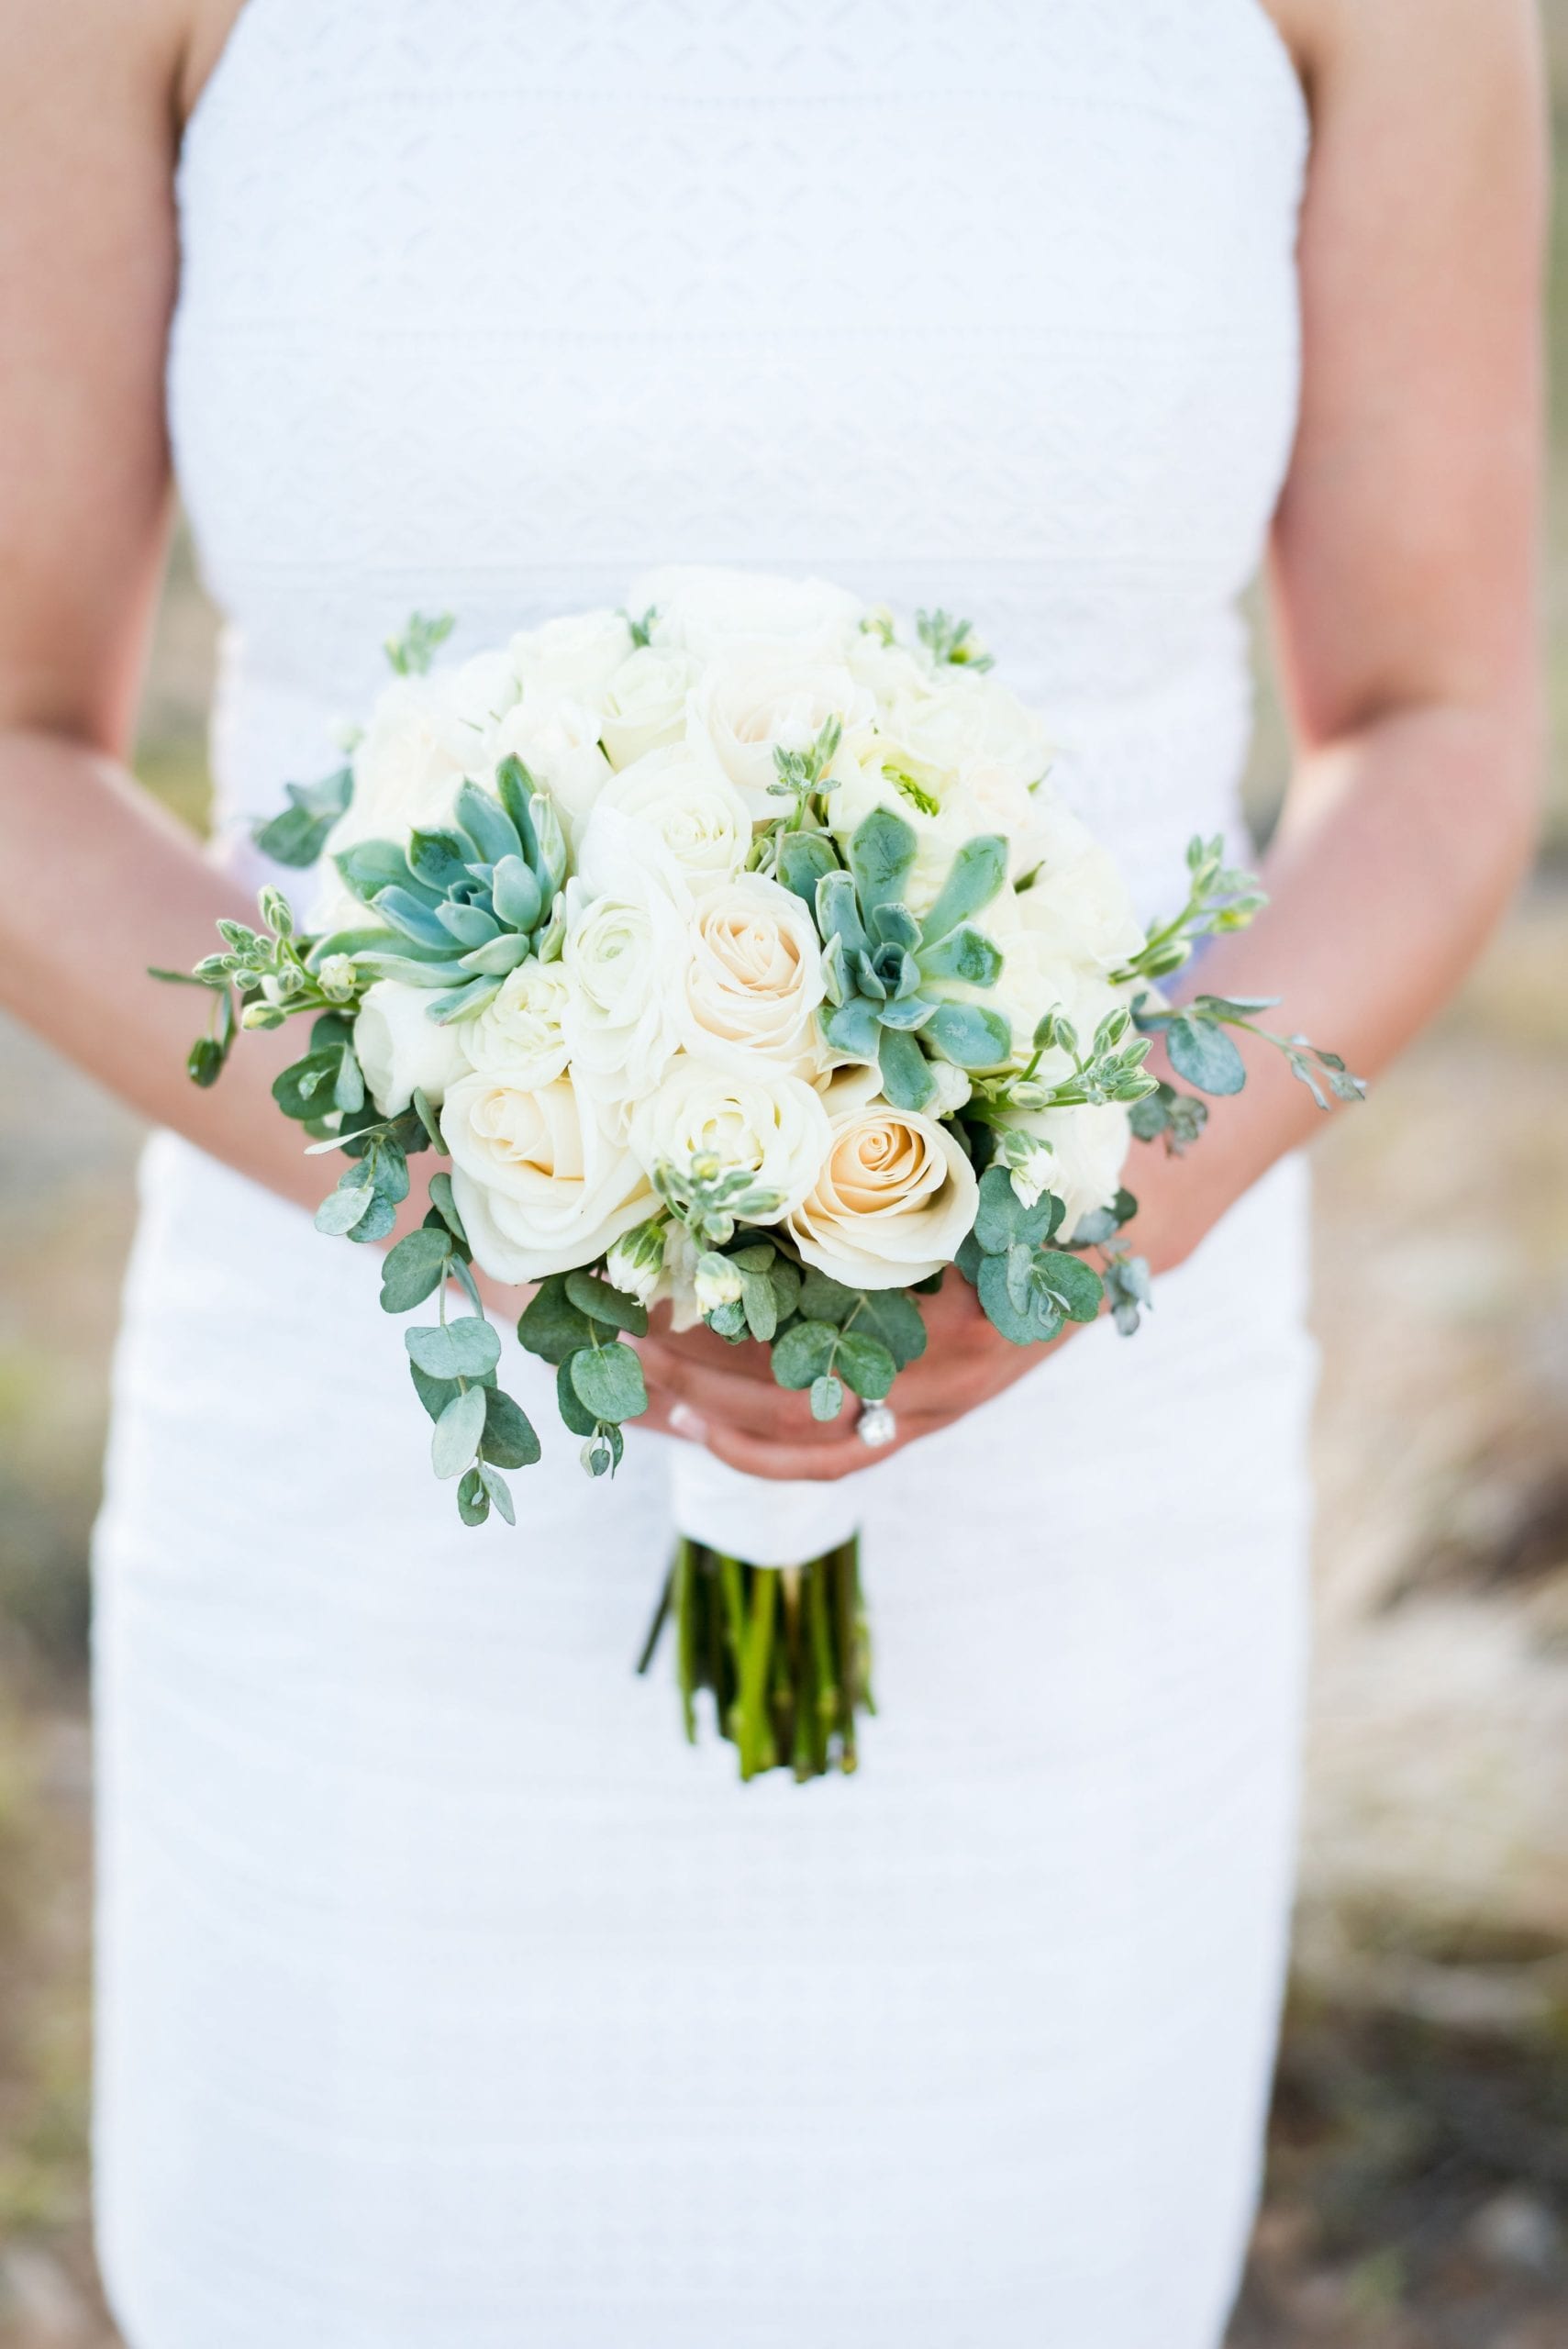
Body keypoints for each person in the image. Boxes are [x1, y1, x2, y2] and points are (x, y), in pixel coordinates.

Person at [0, 3, 1542, 2343]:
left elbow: (1436, 728)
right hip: (388, 1493)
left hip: (1075, 1467)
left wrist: (1111, 1189)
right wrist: (485, 1177)